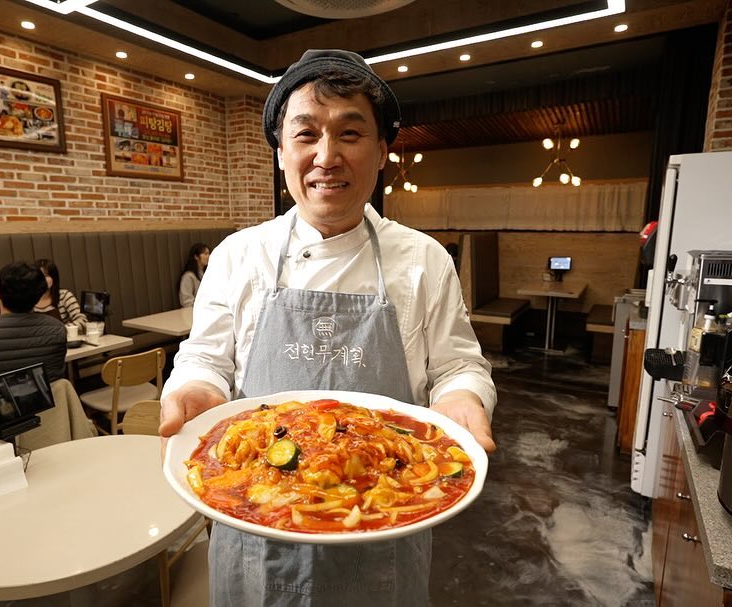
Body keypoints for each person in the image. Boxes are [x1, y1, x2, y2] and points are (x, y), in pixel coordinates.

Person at [159, 49, 496, 606]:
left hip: (387, 523)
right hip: (252, 516)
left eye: (350, 134)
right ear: (280, 152)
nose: (326, 156)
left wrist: (463, 399)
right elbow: (205, 358)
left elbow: (458, 364)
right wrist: (194, 389)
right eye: (306, 134)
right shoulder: (240, 254)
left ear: (382, 151)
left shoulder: (423, 258)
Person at [33, 258, 87, 330]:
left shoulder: (64, 295)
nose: (44, 280)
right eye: (40, 276)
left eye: (46, 275)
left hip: (62, 335)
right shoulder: (28, 298)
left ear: (54, 277)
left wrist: (63, 330)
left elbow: (82, 319)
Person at [178, 243, 210, 308]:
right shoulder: (188, 276)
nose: (208, 256)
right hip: (194, 311)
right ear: (196, 256)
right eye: (205, 254)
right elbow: (186, 301)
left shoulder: (207, 274)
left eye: (209, 253)